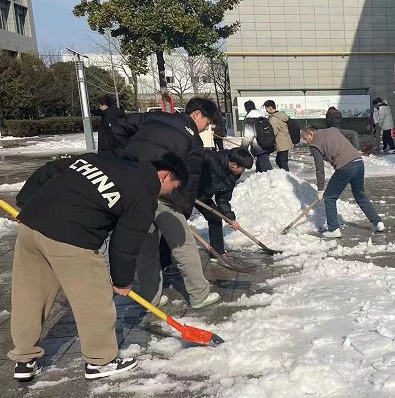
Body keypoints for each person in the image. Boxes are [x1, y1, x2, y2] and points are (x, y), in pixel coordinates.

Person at [8, 151, 187, 382]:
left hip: (32, 226)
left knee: (29, 295)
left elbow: (50, 170)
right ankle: (101, 361)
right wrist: (122, 281)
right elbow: (126, 241)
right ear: (164, 176)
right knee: (94, 300)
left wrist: (26, 203)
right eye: (174, 186)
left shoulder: (102, 160)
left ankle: (24, 359)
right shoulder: (144, 195)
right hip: (72, 237)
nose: (171, 192)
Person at [113, 97, 222, 309]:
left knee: (147, 247)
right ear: (197, 114)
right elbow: (189, 181)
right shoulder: (193, 142)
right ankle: (199, 295)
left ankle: (150, 298)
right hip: (164, 197)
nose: (205, 128)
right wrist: (182, 209)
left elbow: (119, 127)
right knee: (184, 245)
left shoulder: (154, 117)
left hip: (133, 187)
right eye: (207, 123)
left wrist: (126, 158)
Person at [301, 125, 384, 239]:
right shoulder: (332, 130)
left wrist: (320, 189)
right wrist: (355, 150)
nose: (307, 142)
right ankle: (378, 222)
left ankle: (334, 229)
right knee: (360, 195)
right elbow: (353, 133)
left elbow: (319, 168)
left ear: (310, 134)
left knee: (329, 197)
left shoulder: (314, 145)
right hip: (358, 162)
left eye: (306, 139)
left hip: (345, 167)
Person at [195, 147, 254, 260]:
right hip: (183, 191)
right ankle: (165, 259)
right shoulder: (209, 159)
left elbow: (223, 199)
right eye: (242, 168)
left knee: (215, 218)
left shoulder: (232, 176)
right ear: (233, 164)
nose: (243, 171)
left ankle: (217, 252)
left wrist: (230, 218)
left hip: (201, 197)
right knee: (177, 221)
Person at [240, 100, 274, 171]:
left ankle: (271, 180)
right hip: (267, 143)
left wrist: (243, 147)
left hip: (258, 145)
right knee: (260, 164)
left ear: (246, 108)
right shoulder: (263, 116)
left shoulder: (250, 119)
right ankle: (259, 179)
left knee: (266, 168)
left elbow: (249, 136)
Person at [264, 100, 293, 171]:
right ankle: (285, 175)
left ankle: (287, 177)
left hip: (281, 143)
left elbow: (272, 132)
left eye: (266, 108)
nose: (266, 110)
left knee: (282, 162)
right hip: (285, 142)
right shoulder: (281, 115)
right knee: (281, 161)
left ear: (270, 108)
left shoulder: (274, 119)